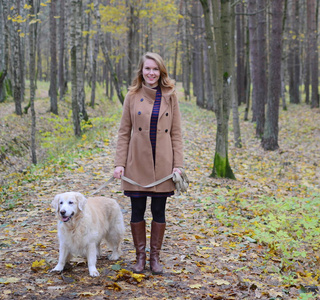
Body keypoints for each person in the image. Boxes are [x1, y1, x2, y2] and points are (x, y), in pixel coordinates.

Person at [113, 52, 184, 274]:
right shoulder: (132, 96)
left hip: (163, 162)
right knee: (137, 210)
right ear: (141, 71)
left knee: (159, 210)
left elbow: (176, 133)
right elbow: (124, 132)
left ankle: (155, 258)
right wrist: (120, 163)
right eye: (147, 69)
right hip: (137, 162)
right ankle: (140, 258)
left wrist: (178, 164)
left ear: (161, 71)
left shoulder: (170, 96)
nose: (151, 73)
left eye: (155, 69)